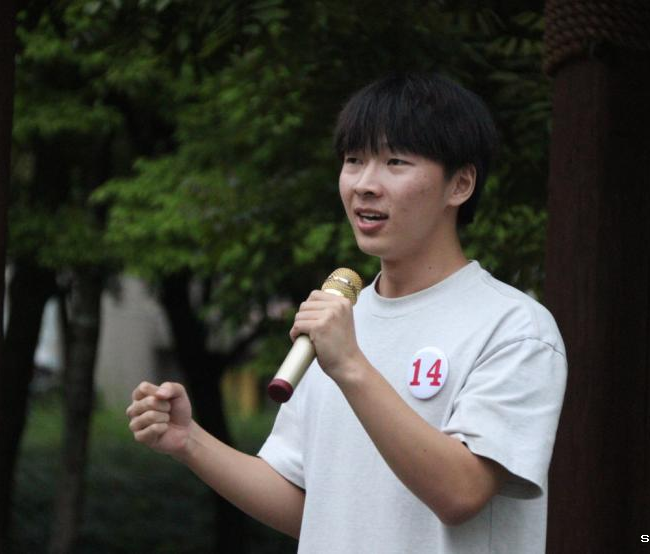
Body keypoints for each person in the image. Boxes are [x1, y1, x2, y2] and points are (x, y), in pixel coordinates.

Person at [126, 73, 567, 553]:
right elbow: (310, 506)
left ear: (459, 184)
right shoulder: (337, 323)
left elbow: (462, 493)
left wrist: (350, 366)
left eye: (395, 162)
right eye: (354, 160)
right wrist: (190, 441)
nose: (365, 184)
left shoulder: (514, 328)